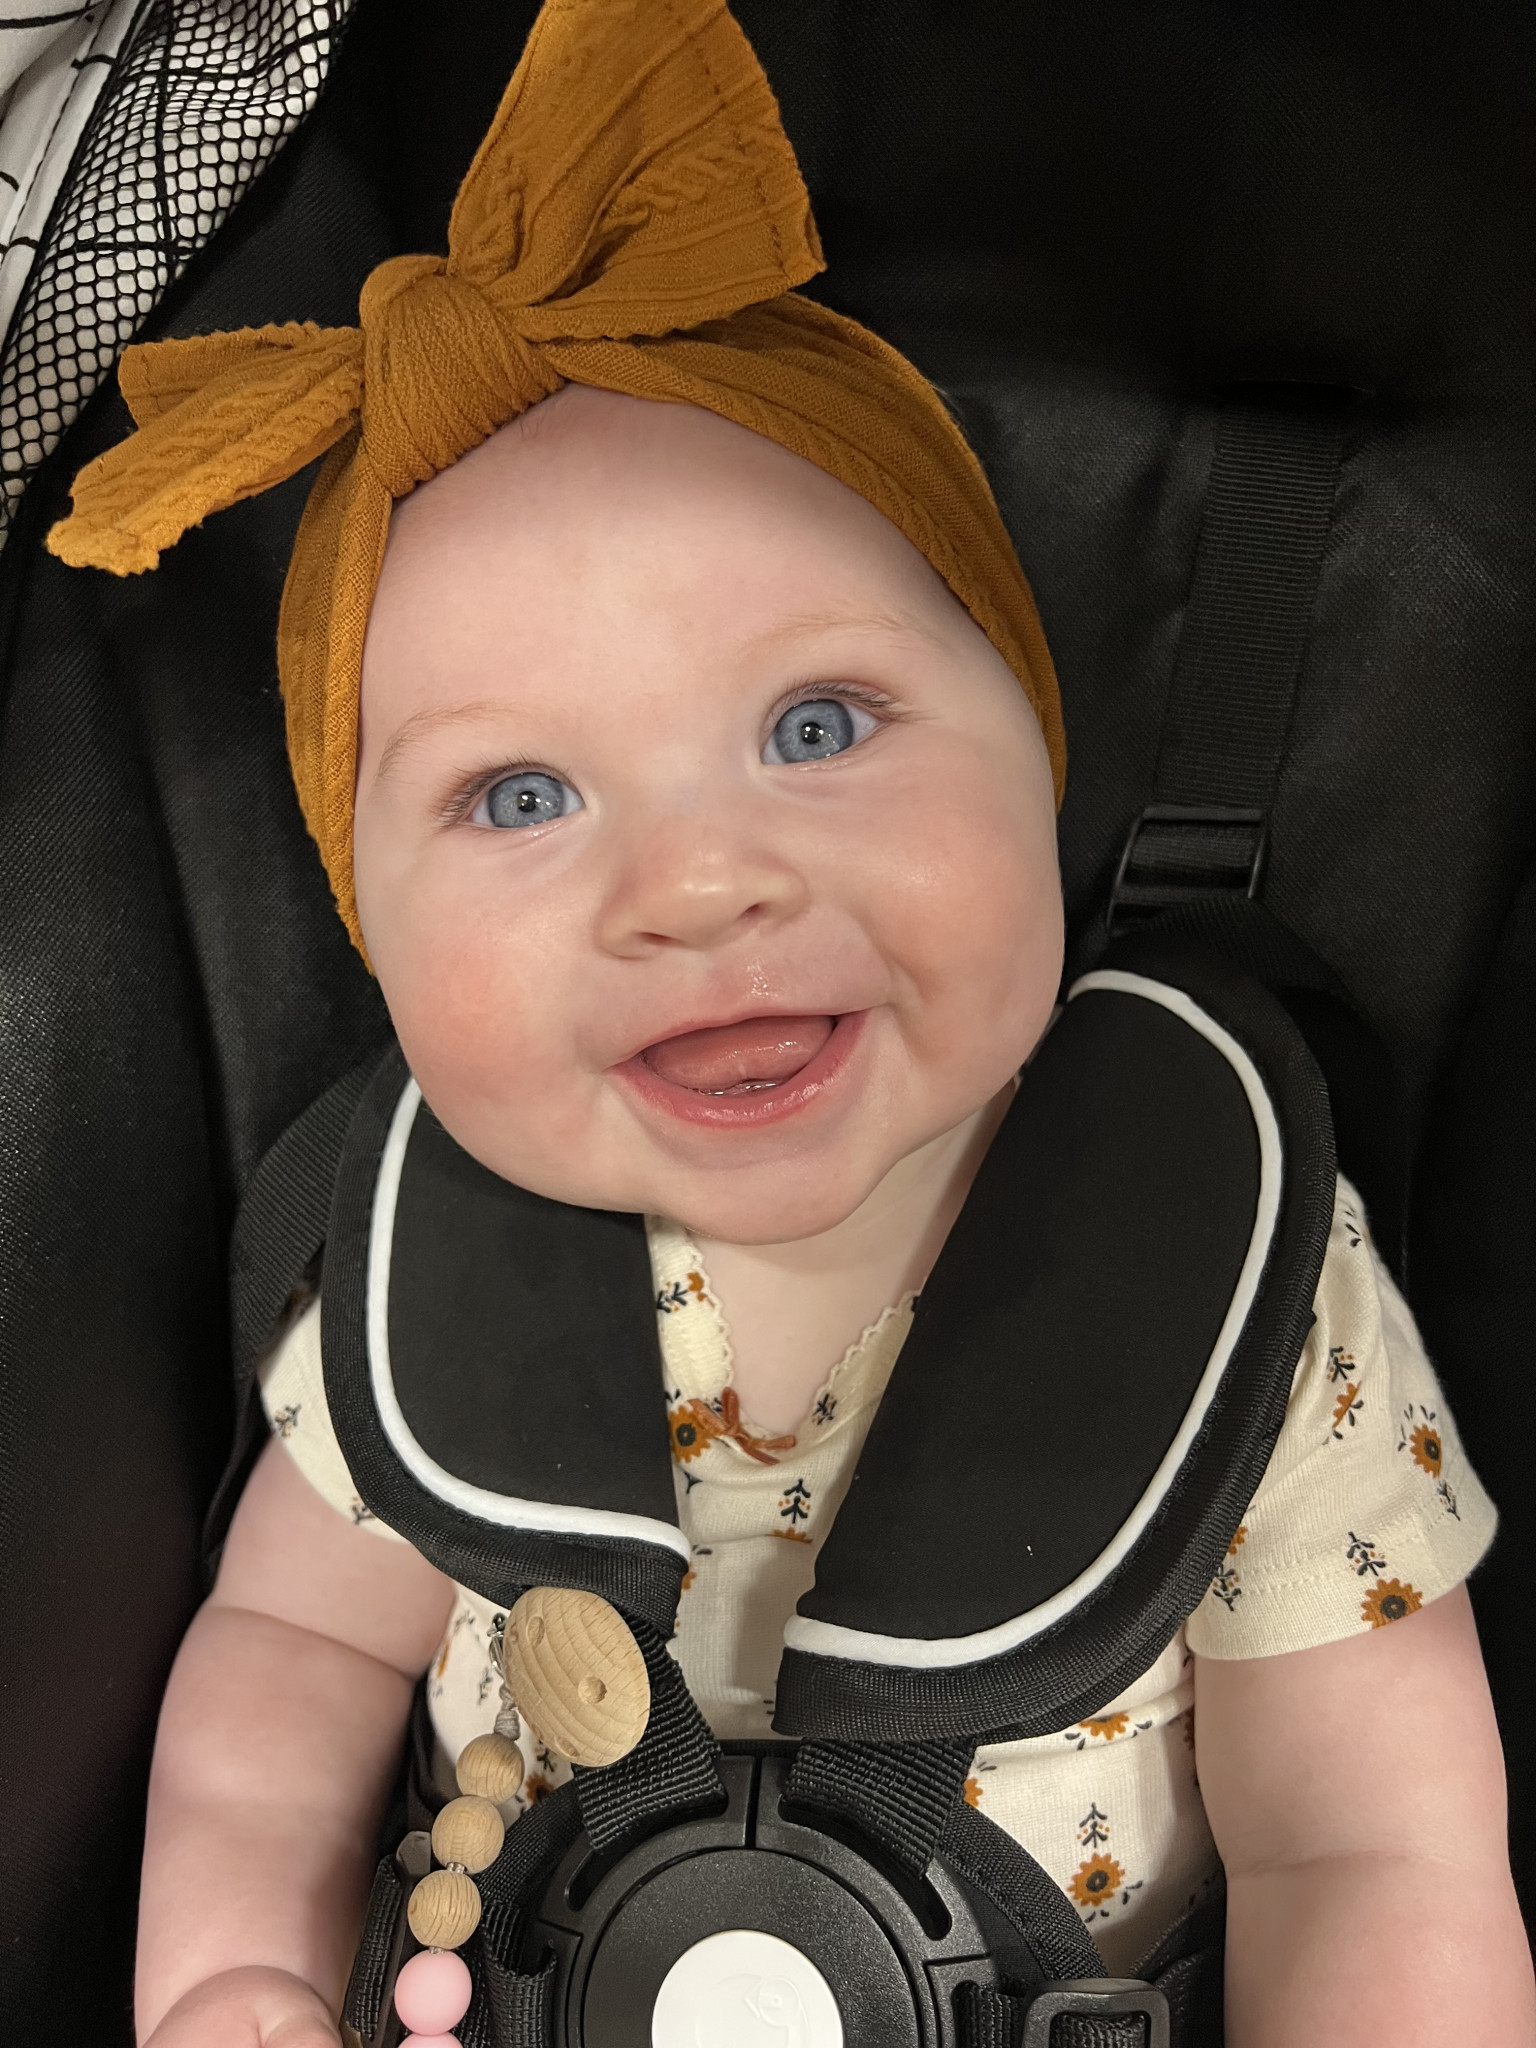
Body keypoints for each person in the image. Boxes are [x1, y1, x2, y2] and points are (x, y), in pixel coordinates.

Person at [49, 2, 1534, 2042]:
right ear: (369, 927)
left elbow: (1369, 1846)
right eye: (520, 797)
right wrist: (232, 1976)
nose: (695, 884)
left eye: (817, 728)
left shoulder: (1239, 1267)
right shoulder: (415, 1287)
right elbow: (288, 1668)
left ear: (1036, 760)